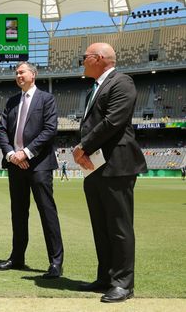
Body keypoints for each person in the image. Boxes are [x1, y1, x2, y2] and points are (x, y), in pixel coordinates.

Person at [73, 43, 147, 303]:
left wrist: (83, 146)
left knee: (118, 226)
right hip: (95, 167)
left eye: (85, 57)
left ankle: (123, 284)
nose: (82, 61)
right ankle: (106, 277)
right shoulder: (95, 87)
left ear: (100, 58)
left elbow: (113, 121)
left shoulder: (121, 82)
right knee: (101, 226)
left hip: (117, 165)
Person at [0, 61, 64, 279]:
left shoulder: (46, 99)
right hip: (15, 165)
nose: (18, 75)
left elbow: (50, 130)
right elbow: (2, 131)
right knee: (18, 213)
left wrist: (26, 152)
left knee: (47, 212)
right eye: (16, 73)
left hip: (39, 166)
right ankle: (17, 258)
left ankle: (55, 263)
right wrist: (12, 155)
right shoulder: (12, 101)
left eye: (21, 72)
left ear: (33, 75)